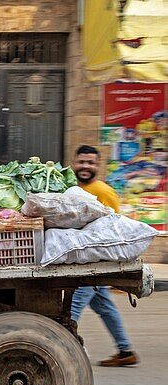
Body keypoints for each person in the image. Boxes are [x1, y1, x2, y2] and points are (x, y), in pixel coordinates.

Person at [70, 145, 138, 366]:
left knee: (72, 309)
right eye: (81, 162)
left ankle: (66, 353)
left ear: (97, 165)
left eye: (90, 163)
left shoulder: (103, 191)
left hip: (93, 262)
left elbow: (111, 229)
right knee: (105, 307)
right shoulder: (75, 188)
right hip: (87, 259)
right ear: (74, 162)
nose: (85, 167)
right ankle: (125, 350)